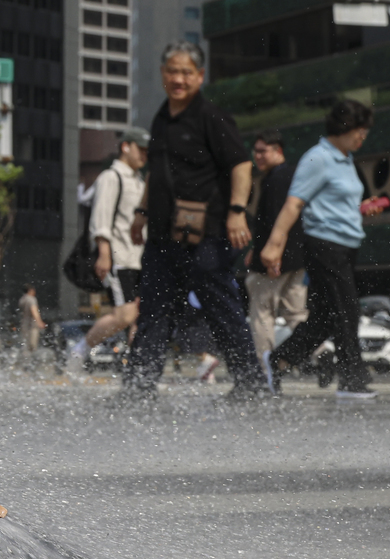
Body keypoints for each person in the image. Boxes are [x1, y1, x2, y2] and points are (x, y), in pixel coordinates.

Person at [126, 40, 261, 398]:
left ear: (200, 76)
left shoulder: (211, 116)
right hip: (162, 234)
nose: (179, 78)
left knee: (223, 310)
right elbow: (156, 172)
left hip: (208, 233)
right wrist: (140, 213)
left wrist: (236, 212)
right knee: (153, 310)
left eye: (186, 72)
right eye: (172, 71)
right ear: (162, 75)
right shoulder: (160, 117)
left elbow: (241, 164)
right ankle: (138, 388)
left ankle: (251, 385)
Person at [261, 100, 384, 400]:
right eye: (360, 130)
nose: (362, 137)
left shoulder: (346, 159)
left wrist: (361, 209)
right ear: (344, 128)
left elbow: (336, 202)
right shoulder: (317, 158)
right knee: (347, 310)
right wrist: (274, 244)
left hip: (346, 246)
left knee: (325, 318)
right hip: (324, 245)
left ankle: (278, 360)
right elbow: (295, 203)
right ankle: (351, 381)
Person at [68, 128, 149, 367]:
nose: (144, 154)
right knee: (124, 315)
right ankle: (79, 350)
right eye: (140, 148)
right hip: (119, 257)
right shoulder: (111, 177)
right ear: (126, 146)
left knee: (139, 317)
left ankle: (138, 368)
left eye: (147, 150)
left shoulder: (139, 180)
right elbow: (100, 218)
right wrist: (104, 253)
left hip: (138, 259)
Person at [244, 130, 308, 380]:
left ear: (278, 151)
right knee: (296, 313)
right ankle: (320, 352)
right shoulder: (292, 176)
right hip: (297, 258)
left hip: (276, 258)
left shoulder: (276, 179)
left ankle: (265, 368)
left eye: (263, 150)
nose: (257, 156)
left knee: (261, 312)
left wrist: (271, 254)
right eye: (256, 150)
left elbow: (275, 220)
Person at [18, 285, 44, 365]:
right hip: (32, 326)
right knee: (33, 346)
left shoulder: (22, 299)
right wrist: (39, 322)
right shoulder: (32, 299)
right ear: (30, 291)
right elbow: (34, 311)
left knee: (25, 345)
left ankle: (24, 363)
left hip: (24, 325)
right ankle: (33, 364)